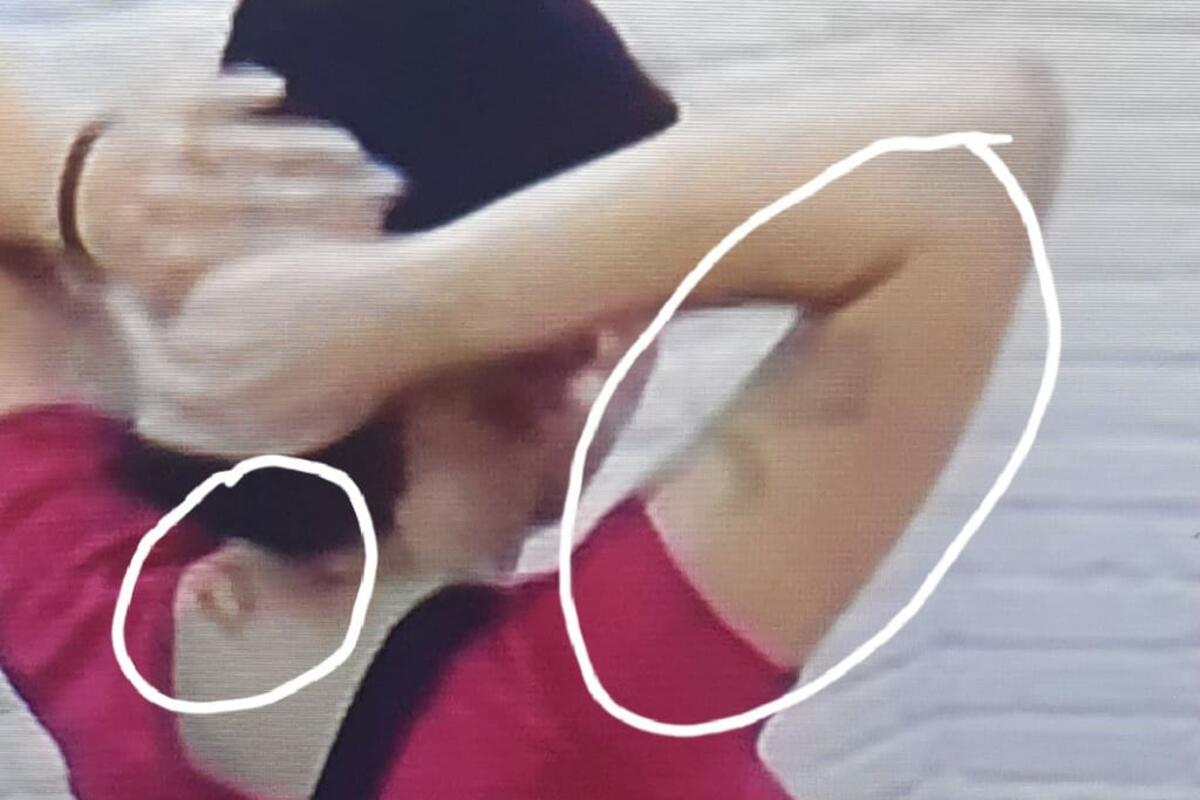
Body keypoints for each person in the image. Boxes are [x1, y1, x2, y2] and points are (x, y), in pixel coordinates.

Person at [0, 35, 1066, 798]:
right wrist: (411, 306)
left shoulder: (100, 616)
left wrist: (88, 192)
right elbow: (980, 156)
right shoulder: (584, 707)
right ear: (585, 343)